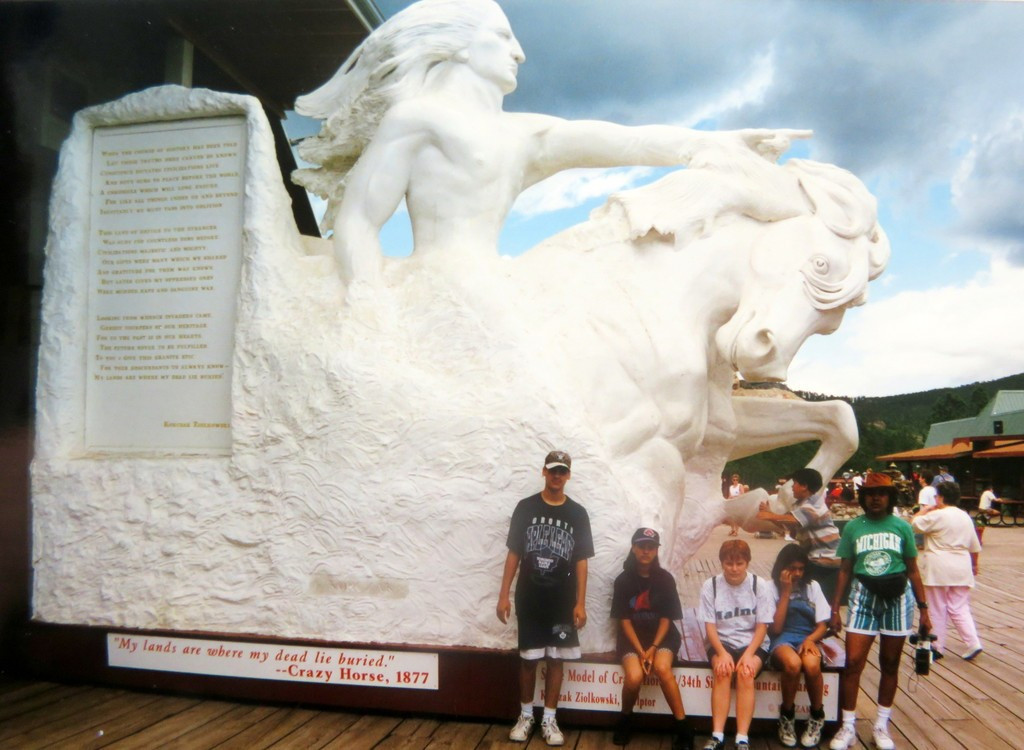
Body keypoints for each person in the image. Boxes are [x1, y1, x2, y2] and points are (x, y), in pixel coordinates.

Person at [294, 0, 808, 285]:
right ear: (458, 44)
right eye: (502, 36)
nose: (519, 52)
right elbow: (359, 222)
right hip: (440, 288)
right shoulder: (418, 117)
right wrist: (367, 309)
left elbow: (629, 141)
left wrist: (718, 142)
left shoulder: (526, 133)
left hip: (499, 281)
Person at [497, 450, 594, 746]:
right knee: (528, 660)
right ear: (543, 471)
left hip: (562, 603)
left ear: (568, 475)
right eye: (552, 470)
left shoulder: (577, 513)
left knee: (555, 659)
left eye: (562, 471)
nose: (556, 475)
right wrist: (504, 595)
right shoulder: (525, 508)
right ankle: (526, 715)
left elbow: (581, 560)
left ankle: (550, 718)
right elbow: (514, 552)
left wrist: (580, 602)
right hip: (530, 598)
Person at [828, 473, 930, 750]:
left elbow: (913, 569)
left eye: (882, 493)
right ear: (863, 497)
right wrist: (835, 608)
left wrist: (924, 609)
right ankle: (847, 725)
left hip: (898, 598)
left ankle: (881, 724)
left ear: (890, 497)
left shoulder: (902, 527)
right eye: (871, 493)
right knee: (853, 662)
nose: (876, 498)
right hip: (863, 596)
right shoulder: (853, 528)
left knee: (890, 663)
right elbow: (845, 570)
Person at [610, 528, 695, 750]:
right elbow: (624, 620)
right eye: (641, 546)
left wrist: (654, 647)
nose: (646, 551)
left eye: (651, 547)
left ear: (657, 550)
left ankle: (683, 728)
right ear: (633, 548)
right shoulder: (623, 580)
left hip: (663, 637)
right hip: (633, 638)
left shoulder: (665, 579)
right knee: (635, 676)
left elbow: (667, 618)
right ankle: (625, 720)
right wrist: (641, 651)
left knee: (663, 668)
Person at [698, 539, 775, 750]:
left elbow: (762, 626)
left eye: (739, 563)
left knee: (746, 672)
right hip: (721, 641)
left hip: (753, 641)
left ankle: (742, 737)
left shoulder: (759, 585)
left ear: (747, 563)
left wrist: (749, 655)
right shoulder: (710, 585)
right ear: (721, 563)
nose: (734, 569)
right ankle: (717, 735)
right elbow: (710, 627)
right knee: (722, 671)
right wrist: (722, 654)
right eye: (729, 563)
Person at [911, 481, 983, 660]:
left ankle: (937, 646)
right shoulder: (965, 517)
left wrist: (925, 510)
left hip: (939, 565)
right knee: (960, 607)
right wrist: (974, 565)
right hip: (961, 565)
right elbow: (975, 546)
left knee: (937, 608)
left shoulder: (938, 516)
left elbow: (914, 523)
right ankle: (973, 642)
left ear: (940, 497)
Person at [768, 544, 830, 749]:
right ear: (782, 567)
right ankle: (787, 716)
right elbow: (776, 628)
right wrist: (785, 592)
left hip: (807, 636)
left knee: (812, 666)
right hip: (783, 637)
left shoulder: (813, 587)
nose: (796, 573)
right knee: (793, 664)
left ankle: (816, 716)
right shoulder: (771, 588)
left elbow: (822, 625)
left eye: (801, 569)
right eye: (792, 568)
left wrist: (811, 639)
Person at [754, 468, 842, 603]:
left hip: (826, 558)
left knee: (817, 598)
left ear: (804, 486)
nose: (792, 488)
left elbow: (794, 520)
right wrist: (770, 515)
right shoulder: (798, 505)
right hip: (815, 558)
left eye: (794, 483)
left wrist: (769, 515)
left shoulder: (814, 502)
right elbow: (788, 526)